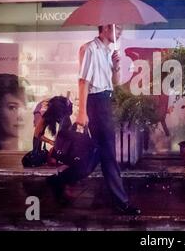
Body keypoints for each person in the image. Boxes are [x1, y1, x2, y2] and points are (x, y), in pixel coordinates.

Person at [49, 24, 141, 215]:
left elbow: (114, 83)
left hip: (105, 101)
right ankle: (121, 201)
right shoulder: (91, 48)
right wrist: (82, 111)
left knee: (95, 156)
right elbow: (83, 81)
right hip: (96, 102)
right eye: (118, 28)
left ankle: (60, 180)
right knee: (108, 154)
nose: (121, 31)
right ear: (106, 28)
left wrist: (115, 66)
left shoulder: (108, 51)